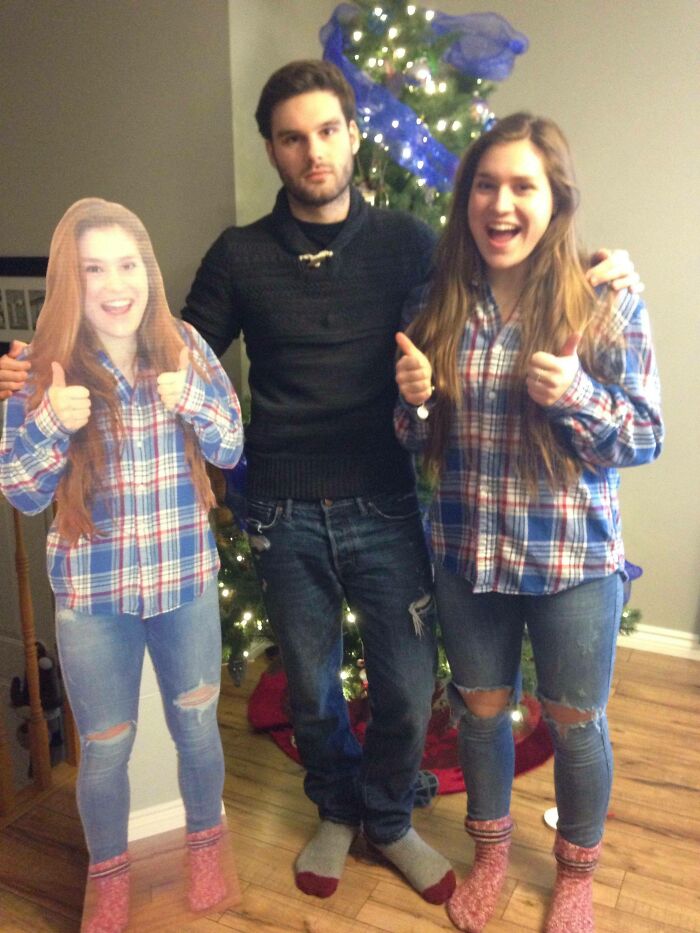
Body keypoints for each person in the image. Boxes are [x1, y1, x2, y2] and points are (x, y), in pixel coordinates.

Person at [0, 62, 641, 905]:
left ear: (352, 134)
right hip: (281, 509)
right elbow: (162, 345)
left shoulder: (410, 242)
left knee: (407, 685)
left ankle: (390, 815)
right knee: (309, 684)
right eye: (293, 138)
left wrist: (597, 268)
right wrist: (40, 358)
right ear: (272, 149)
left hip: (387, 501)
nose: (314, 152)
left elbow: (493, 281)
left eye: (328, 131)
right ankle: (337, 807)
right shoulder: (239, 254)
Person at [394, 113, 662, 932]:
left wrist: (575, 393)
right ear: (466, 198)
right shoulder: (438, 301)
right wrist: (414, 405)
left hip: (572, 561)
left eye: (522, 186)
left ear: (555, 199)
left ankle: (575, 874)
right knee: (479, 713)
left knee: (576, 724)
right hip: (468, 553)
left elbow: (644, 436)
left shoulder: (604, 298)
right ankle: (491, 856)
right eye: (486, 185)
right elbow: (416, 438)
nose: (500, 204)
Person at [0, 198, 244, 933]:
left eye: (127, 264)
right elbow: (21, 489)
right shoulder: (36, 368)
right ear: (69, 281)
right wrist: (51, 420)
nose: (115, 284)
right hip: (93, 596)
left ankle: (207, 845)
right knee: (105, 750)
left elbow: (231, 445)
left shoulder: (184, 345)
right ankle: (108, 875)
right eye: (93, 269)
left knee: (197, 726)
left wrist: (193, 397)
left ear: (149, 271)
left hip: (184, 582)